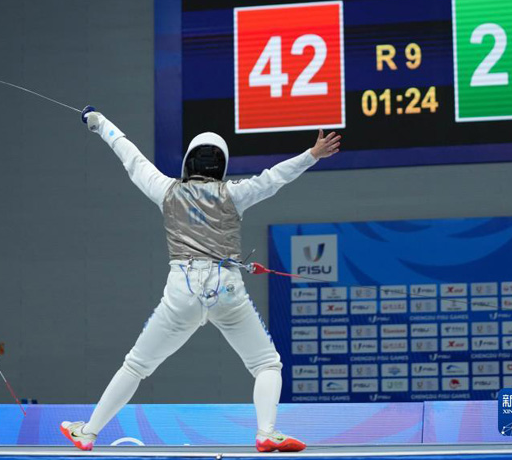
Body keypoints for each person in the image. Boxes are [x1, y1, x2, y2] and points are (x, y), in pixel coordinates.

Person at [61, 109, 340, 452]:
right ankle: (266, 432)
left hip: (183, 289)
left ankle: (88, 432)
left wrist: (100, 122)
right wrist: (312, 155)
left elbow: (131, 157)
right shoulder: (234, 193)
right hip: (227, 289)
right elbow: (273, 178)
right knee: (266, 363)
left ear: (188, 162)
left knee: (136, 365)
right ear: (221, 165)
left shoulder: (166, 189)